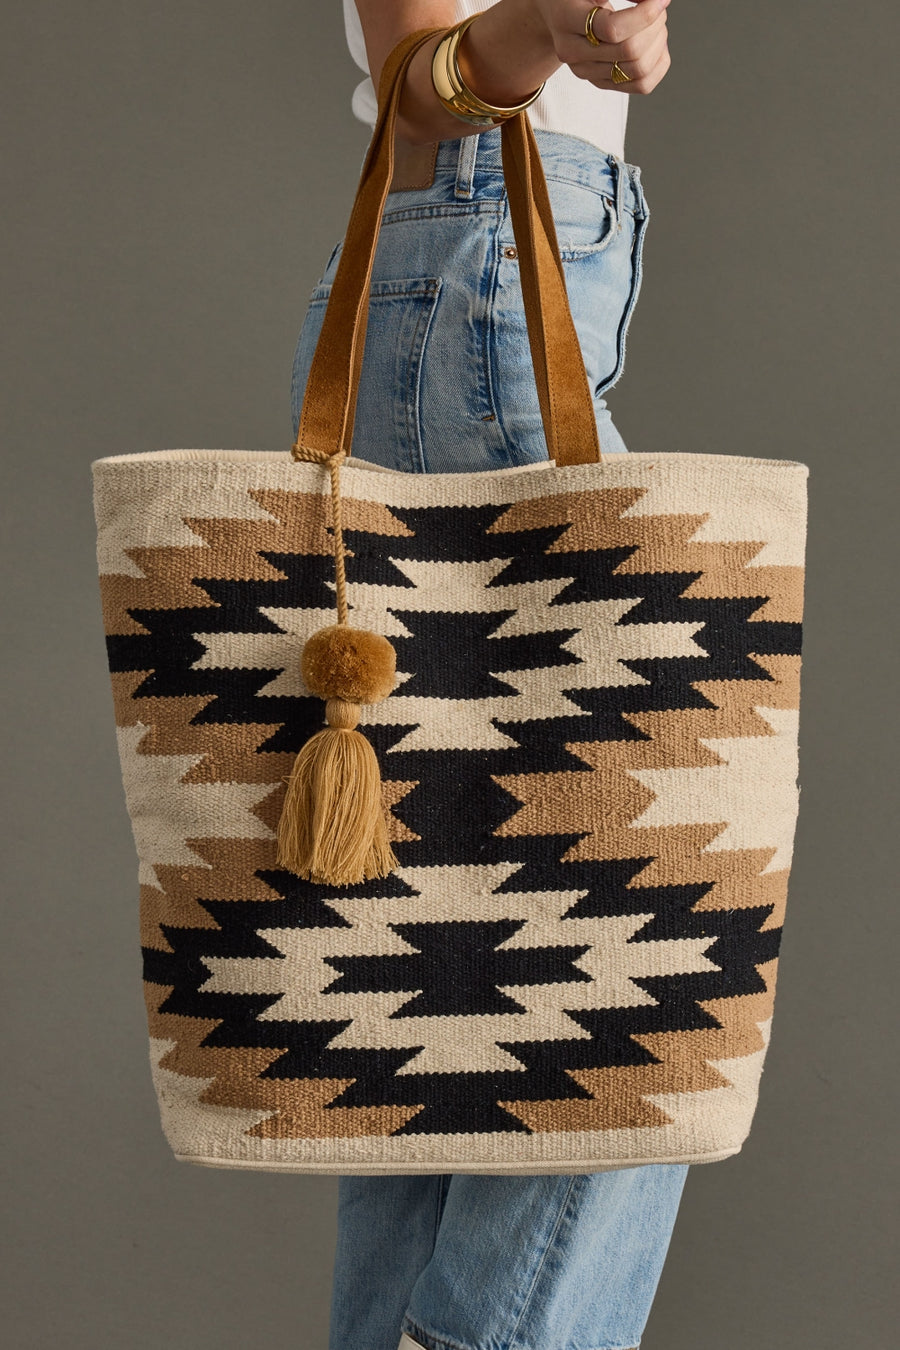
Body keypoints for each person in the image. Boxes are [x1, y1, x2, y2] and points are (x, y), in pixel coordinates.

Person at [290, 5, 686, 1349]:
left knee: (443, 988)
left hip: (487, 292)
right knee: (638, 962)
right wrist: (547, 31)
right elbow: (421, 76)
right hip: (477, 297)